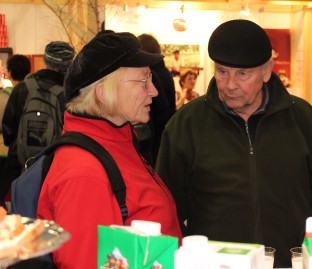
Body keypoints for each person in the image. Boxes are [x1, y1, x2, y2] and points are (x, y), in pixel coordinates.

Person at [155, 19, 312, 268]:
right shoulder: (185, 126)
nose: (230, 85)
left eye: (242, 73)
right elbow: (168, 208)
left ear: (266, 70)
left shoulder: (305, 122)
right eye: (222, 71)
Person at [36, 31, 182, 268]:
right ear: (103, 93)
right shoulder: (84, 173)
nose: (154, 91)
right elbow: (83, 262)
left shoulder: (119, 144)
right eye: (143, 80)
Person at [2, 41, 73, 173]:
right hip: (57, 166)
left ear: (46, 60)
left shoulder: (22, 88)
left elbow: (8, 129)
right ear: (69, 64)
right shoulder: (71, 94)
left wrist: (21, 148)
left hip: (22, 166)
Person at [137, 33, 176, 165]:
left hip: (154, 138)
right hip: (163, 135)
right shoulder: (164, 72)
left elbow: (161, 108)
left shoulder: (151, 74)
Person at [0, 54, 31, 210]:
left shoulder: (4, 96)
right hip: (32, 152)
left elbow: (5, 125)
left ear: (10, 72)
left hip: (6, 153)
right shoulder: (34, 92)